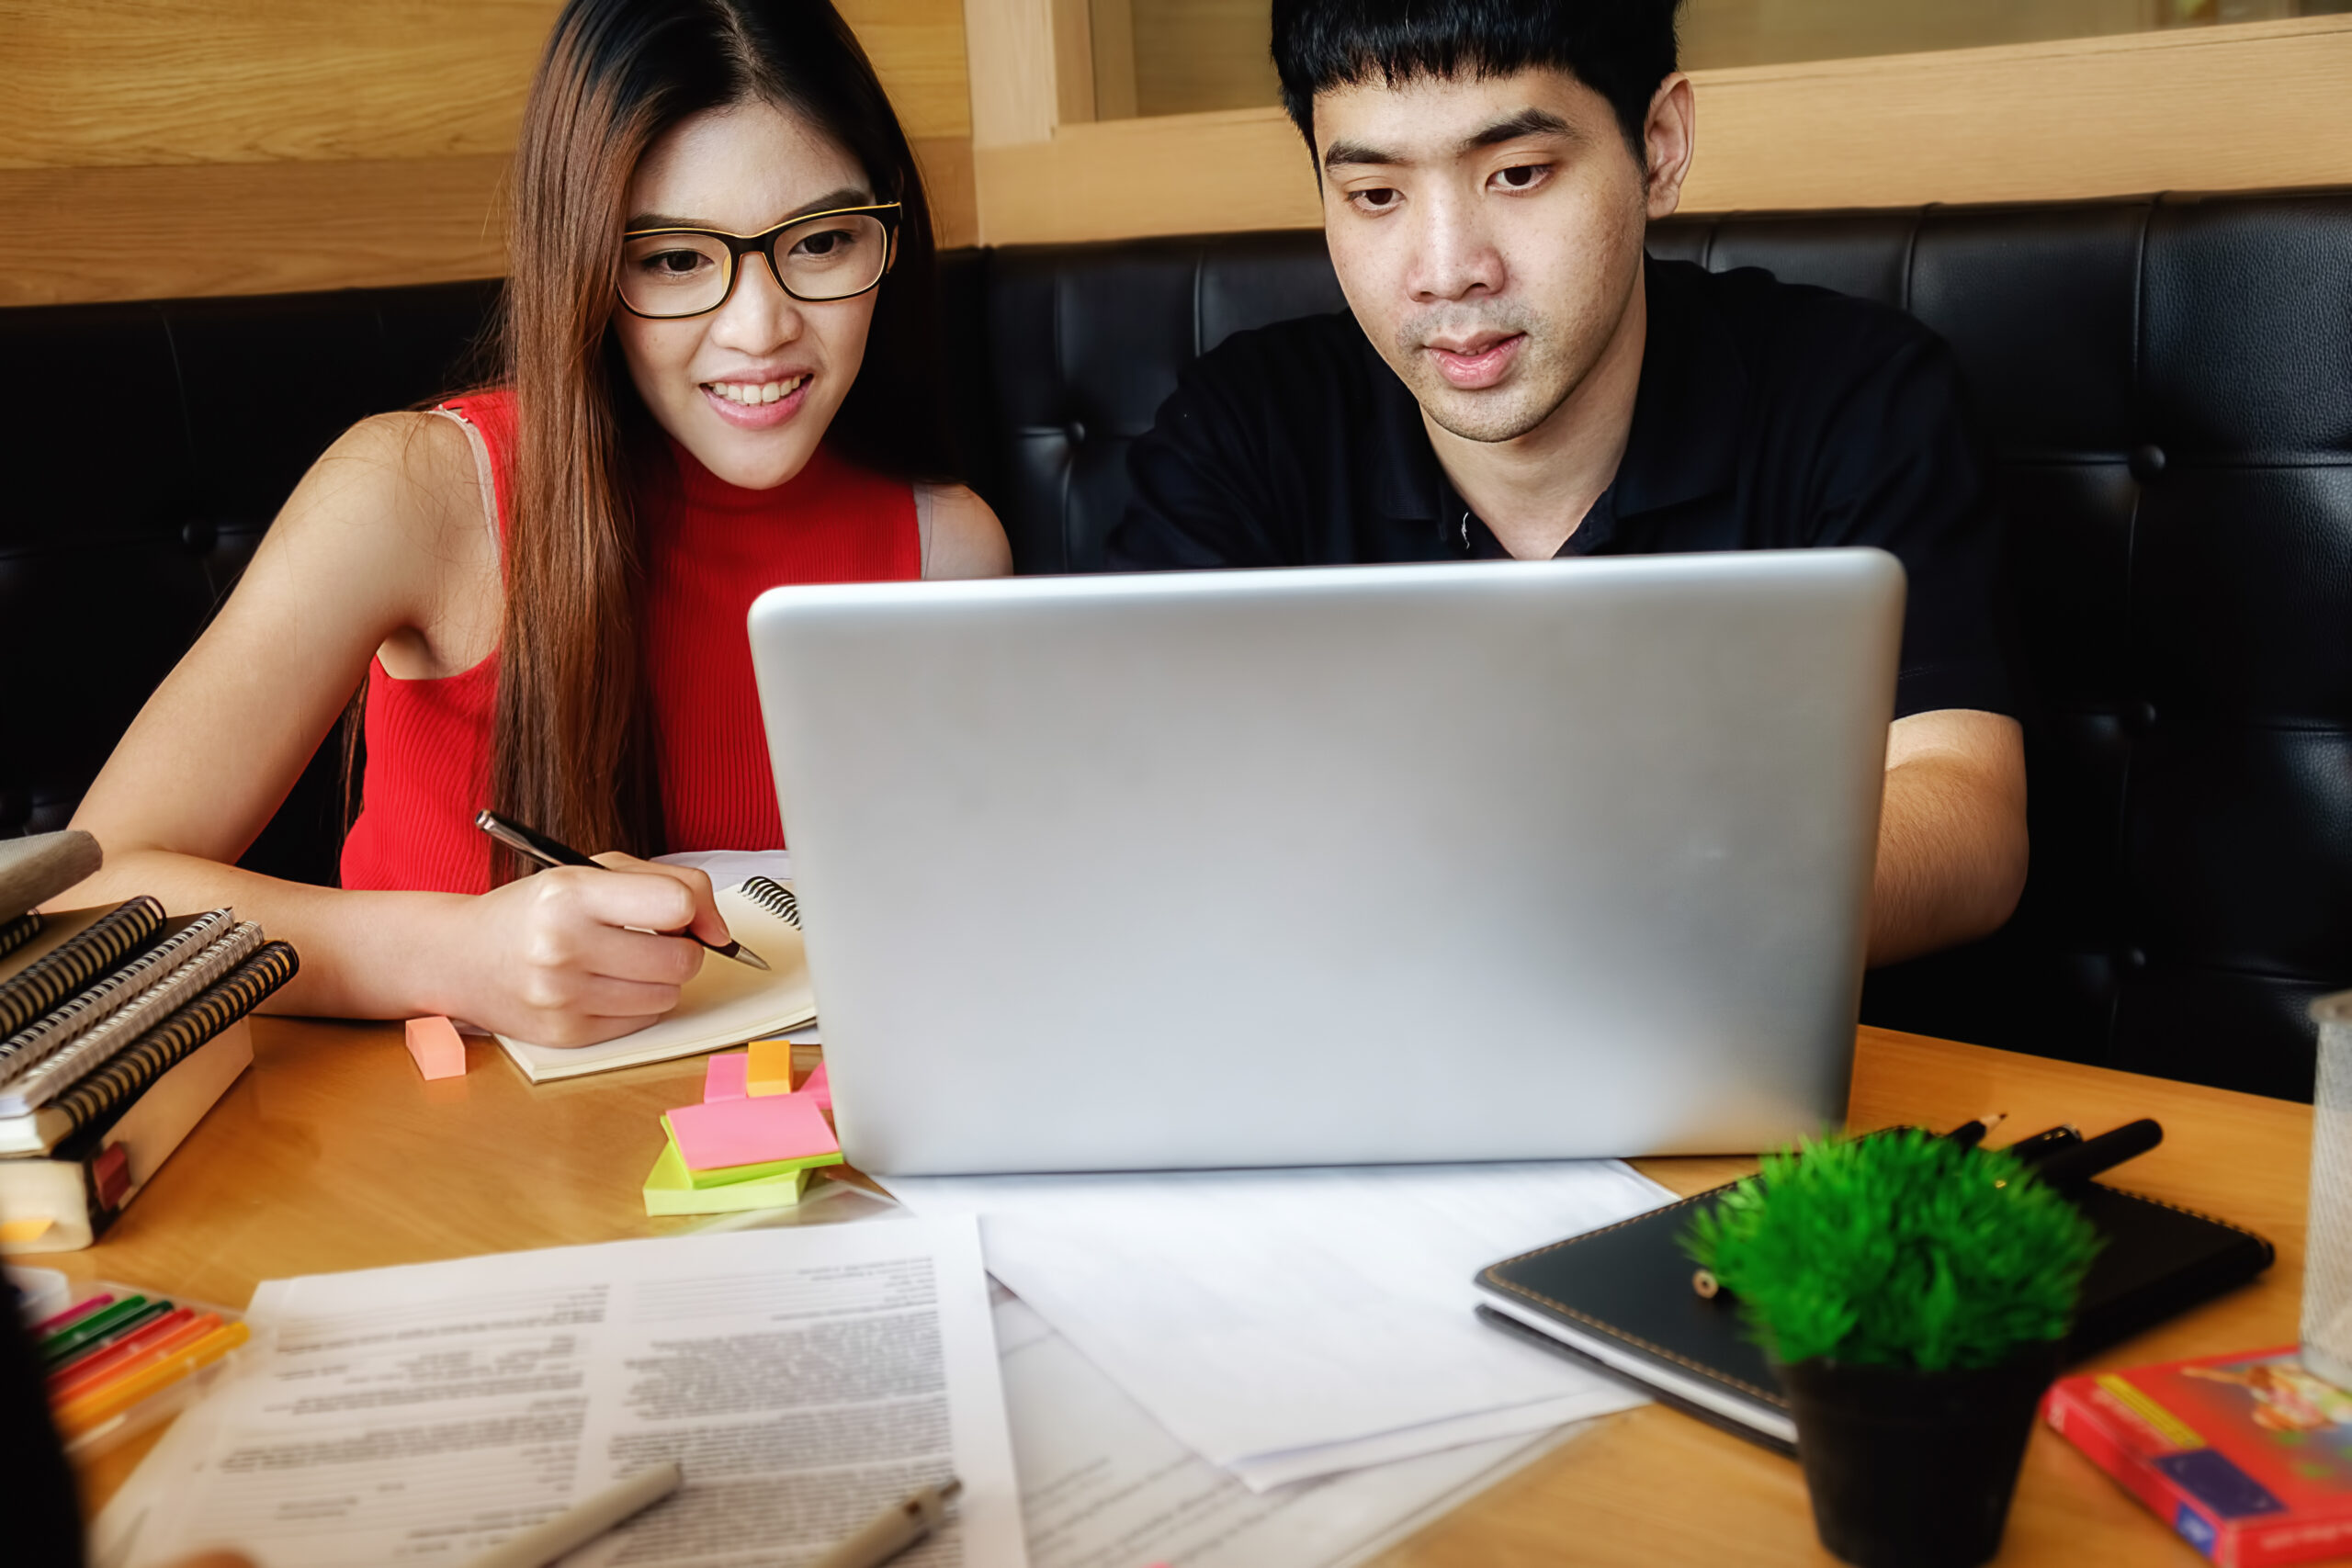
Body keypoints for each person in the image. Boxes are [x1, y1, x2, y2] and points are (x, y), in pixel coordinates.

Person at [63, 0, 1010, 1045]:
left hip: (792, 1170)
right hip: (423, 1170)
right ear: (584, 266)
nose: (760, 328)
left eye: (823, 241)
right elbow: (91, 898)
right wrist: (454, 958)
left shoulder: (946, 553)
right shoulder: (417, 489)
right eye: (673, 261)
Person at [1107, 0, 2026, 967]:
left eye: (1517, 174)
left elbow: (1967, 823)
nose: (1447, 271)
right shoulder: (1247, 428)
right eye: (1376, 195)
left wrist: (1618, 922)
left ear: (1659, 146)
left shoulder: (1851, 394)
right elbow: (1131, 807)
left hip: (1751, 1092)